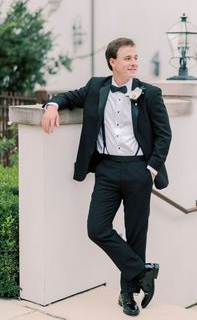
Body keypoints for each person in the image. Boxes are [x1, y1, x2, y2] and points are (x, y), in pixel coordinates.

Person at [41, 37, 172, 316]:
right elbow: (66, 97)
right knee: (97, 228)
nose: (134, 62)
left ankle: (127, 296)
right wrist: (52, 106)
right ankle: (142, 272)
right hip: (107, 170)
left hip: (139, 169)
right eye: (127, 58)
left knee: (137, 234)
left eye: (136, 57)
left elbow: (164, 135)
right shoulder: (95, 87)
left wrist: (150, 169)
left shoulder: (150, 93)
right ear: (112, 62)